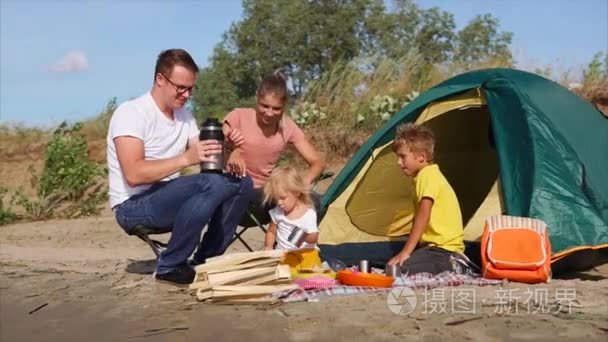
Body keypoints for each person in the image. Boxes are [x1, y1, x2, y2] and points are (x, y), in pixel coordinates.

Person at [107, 49, 253, 286]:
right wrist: (186, 159)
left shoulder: (185, 116)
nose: (187, 94)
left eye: (191, 89)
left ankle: (205, 261)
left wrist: (230, 148)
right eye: (181, 88)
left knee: (241, 183)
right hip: (132, 206)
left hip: (168, 198)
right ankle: (170, 266)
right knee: (210, 182)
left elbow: (208, 158)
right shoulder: (131, 113)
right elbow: (134, 175)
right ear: (160, 79)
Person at [222, 72, 326, 223]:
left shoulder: (288, 126)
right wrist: (232, 152)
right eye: (265, 106)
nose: (269, 113)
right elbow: (216, 139)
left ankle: (284, 245)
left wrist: (304, 182)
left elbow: (318, 162)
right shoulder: (238, 116)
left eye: (276, 109)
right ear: (257, 98)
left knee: (315, 202)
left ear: (284, 106)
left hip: (268, 194)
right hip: (236, 190)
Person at [387, 123, 466, 275]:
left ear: (422, 157)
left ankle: (456, 265)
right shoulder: (421, 176)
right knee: (392, 265)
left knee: (398, 269)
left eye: (403, 157)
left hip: (444, 250)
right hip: (431, 248)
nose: (398, 162)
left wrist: (406, 251)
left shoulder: (428, 175)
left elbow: (423, 215)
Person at [262, 166, 319, 250]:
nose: (279, 202)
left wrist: (304, 236)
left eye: (283, 198)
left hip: (303, 255)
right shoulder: (278, 212)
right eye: (276, 199)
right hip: (283, 254)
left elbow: (314, 239)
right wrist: (268, 247)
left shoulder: (308, 214)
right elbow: (271, 232)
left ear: (297, 192)